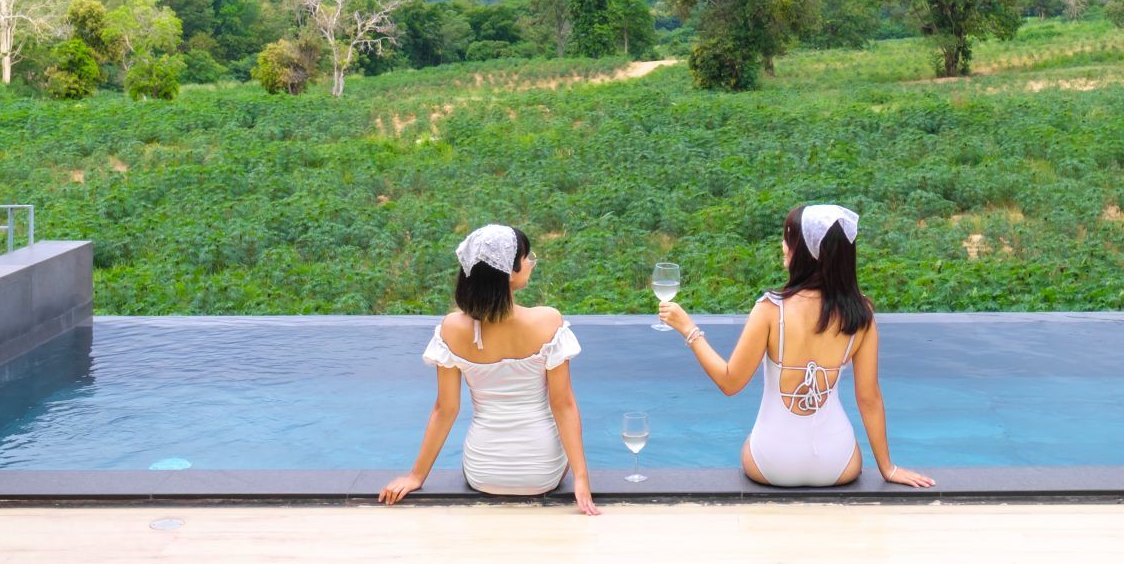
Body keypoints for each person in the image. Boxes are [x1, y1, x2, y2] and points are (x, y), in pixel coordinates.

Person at [658, 204, 934, 489]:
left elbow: (730, 382)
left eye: (789, 238)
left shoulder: (769, 310)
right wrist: (888, 468)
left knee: (750, 442)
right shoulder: (860, 314)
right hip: (837, 463)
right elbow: (869, 399)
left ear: (805, 252)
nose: (783, 245)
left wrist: (688, 329)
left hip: (772, 463)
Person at [379, 223, 600, 514]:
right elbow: (564, 405)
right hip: (542, 472)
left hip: (483, 471)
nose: (531, 263)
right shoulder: (547, 321)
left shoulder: (452, 328)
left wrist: (416, 476)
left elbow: (445, 410)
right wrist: (581, 479)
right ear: (509, 272)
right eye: (526, 258)